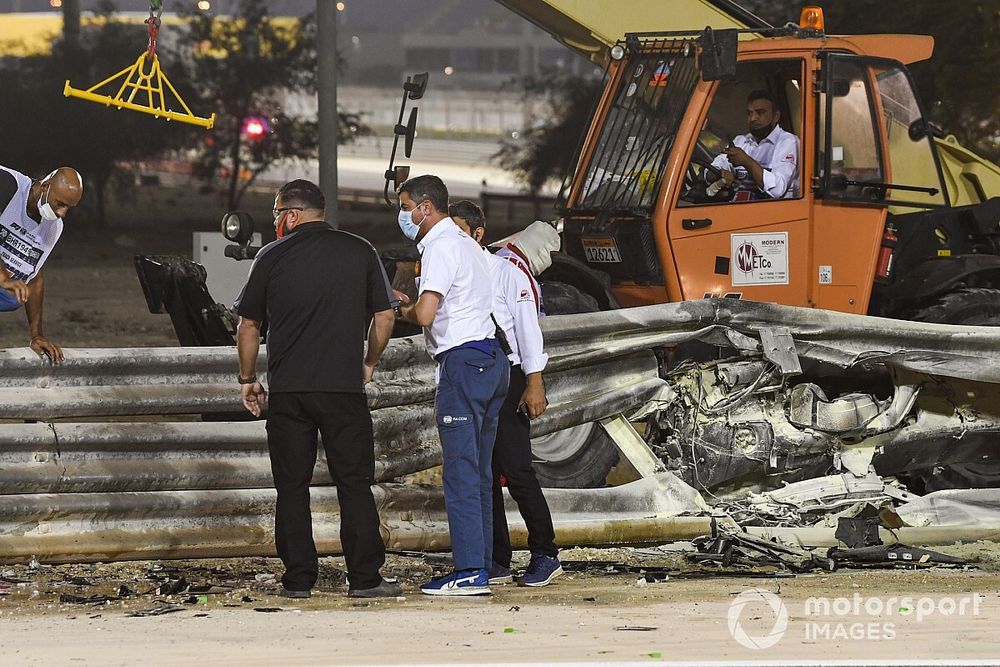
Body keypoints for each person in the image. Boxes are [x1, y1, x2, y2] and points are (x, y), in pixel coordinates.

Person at [234, 179, 402, 599]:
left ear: (291, 215)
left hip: (289, 393)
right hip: (343, 391)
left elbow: (248, 325)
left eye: (276, 214)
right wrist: (369, 362)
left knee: (292, 487)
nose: (275, 223)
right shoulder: (360, 250)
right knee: (354, 484)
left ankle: (298, 580)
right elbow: (385, 316)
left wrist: (248, 379)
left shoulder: (271, 256)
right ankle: (364, 579)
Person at [395, 175, 509, 597]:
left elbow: (425, 315)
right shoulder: (470, 246)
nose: (403, 215)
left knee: (461, 473)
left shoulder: (442, 246)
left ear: (425, 207)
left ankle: (468, 571)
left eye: (405, 206)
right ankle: (480, 565)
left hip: (463, 364)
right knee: (479, 472)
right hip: (491, 359)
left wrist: (398, 306)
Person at [450, 201, 563, 587]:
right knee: (486, 470)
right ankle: (497, 557)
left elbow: (528, 329)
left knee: (516, 469)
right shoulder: (456, 273)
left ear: (478, 234)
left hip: (510, 372)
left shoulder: (507, 273)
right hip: (479, 375)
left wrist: (535, 381)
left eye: (459, 231)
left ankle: (545, 552)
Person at [0, 165, 84, 362]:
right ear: (45, 186)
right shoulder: (7, 184)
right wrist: (3, 277)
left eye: (68, 208)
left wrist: (36, 334)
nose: (62, 213)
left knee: (15, 296)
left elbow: (34, 276)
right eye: (60, 203)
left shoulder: (54, 227)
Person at [707, 90, 799, 201]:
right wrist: (719, 174)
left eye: (760, 112)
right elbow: (713, 167)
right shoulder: (741, 141)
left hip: (775, 213)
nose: (753, 118)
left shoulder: (788, 142)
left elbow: (778, 190)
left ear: (775, 116)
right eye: (749, 113)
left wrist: (746, 161)